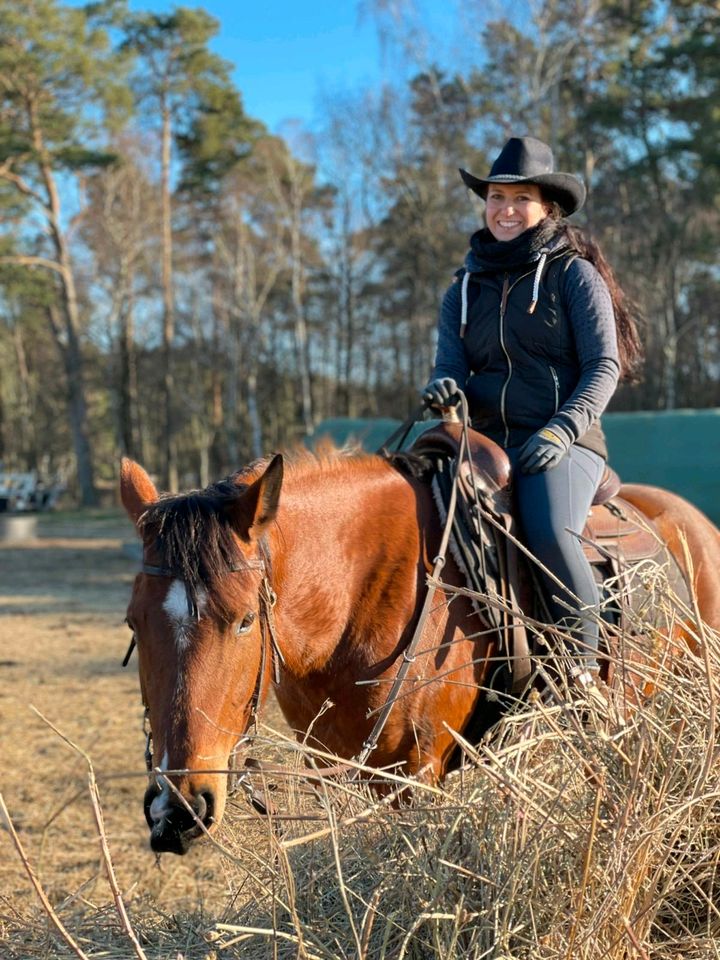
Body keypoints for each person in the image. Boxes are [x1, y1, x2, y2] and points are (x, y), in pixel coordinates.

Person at [421, 135, 643, 704]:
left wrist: (563, 428)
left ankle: (584, 676)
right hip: (486, 441)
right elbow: (450, 363)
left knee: (545, 529)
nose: (506, 210)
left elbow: (603, 365)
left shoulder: (573, 275)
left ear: (548, 207)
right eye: (496, 197)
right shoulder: (463, 288)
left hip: (565, 440)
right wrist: (443, 388)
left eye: (521, 198)